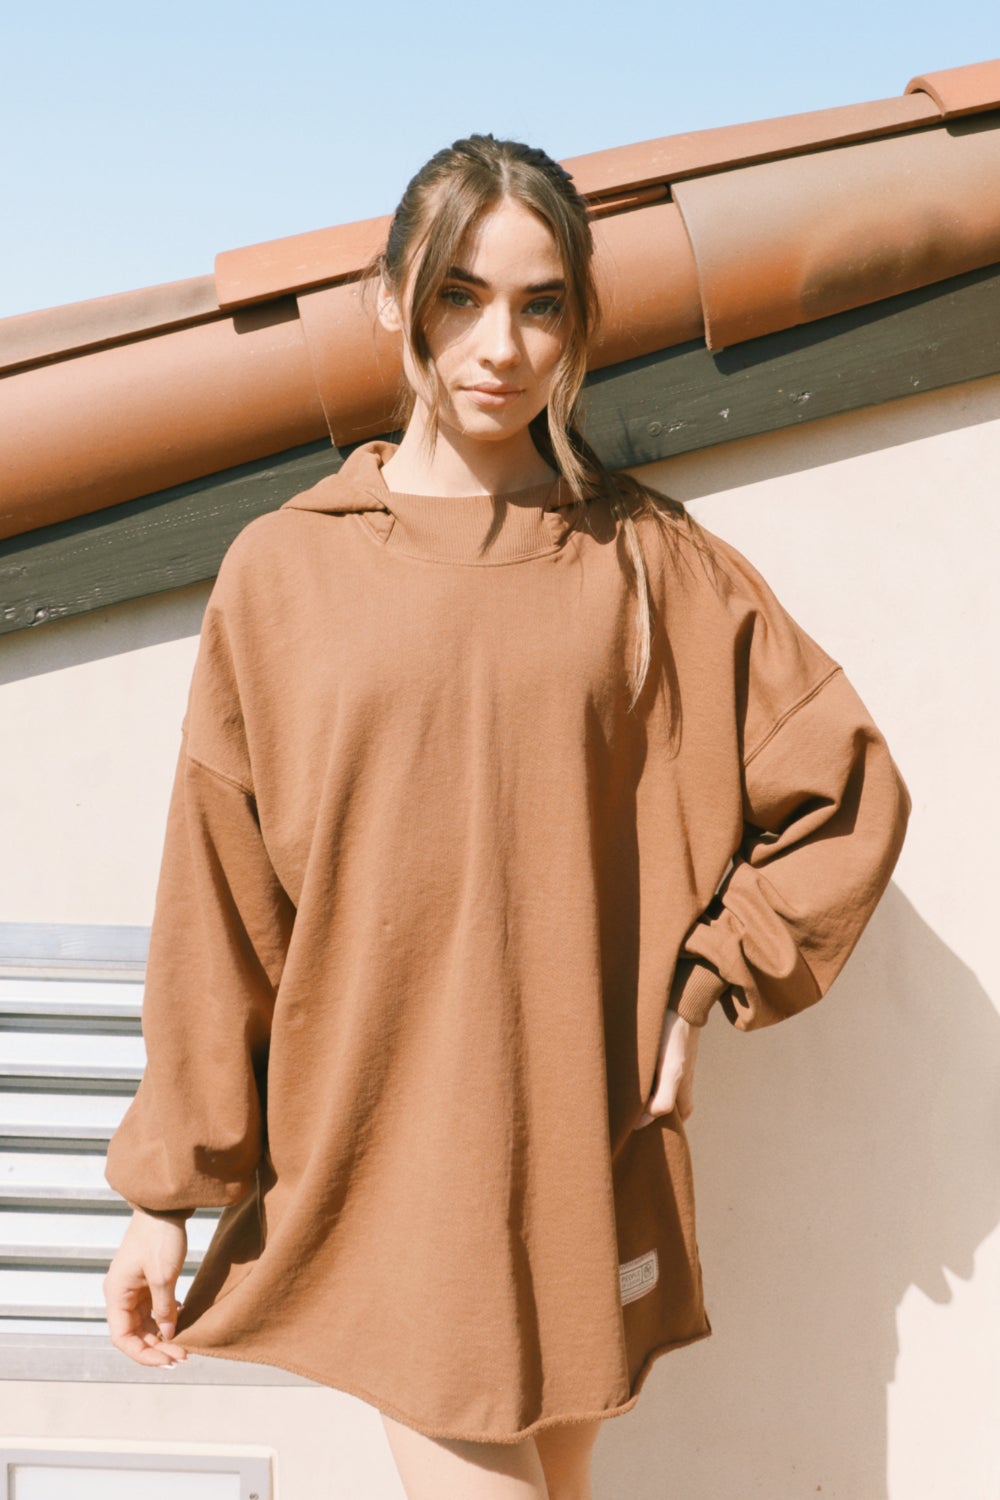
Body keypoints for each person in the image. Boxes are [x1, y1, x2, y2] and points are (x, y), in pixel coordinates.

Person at [103, 134, 910, 1499]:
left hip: (576, 1148)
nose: (501, 346)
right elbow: (220, 904)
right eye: (459, 296)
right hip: (386, 1156)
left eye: (542, 306)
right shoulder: (285, 571)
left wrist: (704, 987)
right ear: (391, 300)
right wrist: (163, 1195)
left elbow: (843, 791)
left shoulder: (645, 560)